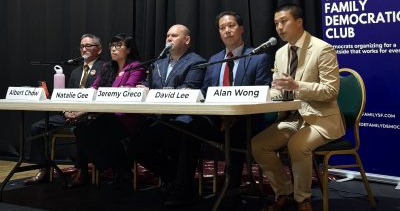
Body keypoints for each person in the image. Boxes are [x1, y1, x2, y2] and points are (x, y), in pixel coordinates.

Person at [251, 4, 345, 211]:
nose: (279, 27)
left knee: (297, 145)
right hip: (293, 118)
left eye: (284, 21)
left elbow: (331, 91)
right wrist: (262, 95)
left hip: (322, 118)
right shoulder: (281, 53)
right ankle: (283, 192)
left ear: (299, 22)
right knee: (258, 145)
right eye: (276, 23)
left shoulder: (322, 48)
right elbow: (279, 90)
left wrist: (297, 86)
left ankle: (303, 199)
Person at [201, 11, 272, 209]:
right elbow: (207, 92)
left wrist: (234, 117)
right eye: (222, 28)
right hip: (218, 120)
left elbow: (262, 92)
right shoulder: (214, 60)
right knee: (187, 126)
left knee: (236, 133)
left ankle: (230, 189)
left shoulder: (258, 58)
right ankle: (183, 186)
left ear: (241, 29)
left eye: (231, 26)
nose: (227, 31)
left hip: (248, 120)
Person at [130, 24, 207, 207]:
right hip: (159, 117)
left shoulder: (196, 61)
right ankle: (177, 179)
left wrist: (153, 92)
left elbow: (189, 88)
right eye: (167, 36)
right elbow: (146, 85)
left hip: (182, 117)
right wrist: (142, 88)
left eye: (174, 36)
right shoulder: (158, 63)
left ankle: (181, 188)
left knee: (183, 135)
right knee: (135, 147)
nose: (169, 39)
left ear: (186, 40)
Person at [67, 33, 146, 189]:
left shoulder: (136, 67)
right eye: (112, 46)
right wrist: (79, 111)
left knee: (101, 132)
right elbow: (94, 90)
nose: (114, 49)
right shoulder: (107, 68)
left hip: (126, 118)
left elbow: (128, 91)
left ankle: (119, 168)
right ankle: (119, 167)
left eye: (118, 45)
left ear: (129, 49)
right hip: (107, 116)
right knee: (81, 130)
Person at [24, 34, 103, 185]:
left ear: (99, 49)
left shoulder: (105, 68)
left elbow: (102, 96)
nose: (84, 49)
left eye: (88, 46)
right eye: (81, 46)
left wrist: (81, 112)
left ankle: (82, 171)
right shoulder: (75, 72)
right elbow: (66, 96)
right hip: (70, 113)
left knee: (82, 128)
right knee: (37, 127)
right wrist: (65, 111)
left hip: (90, 114)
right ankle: (44, 169)